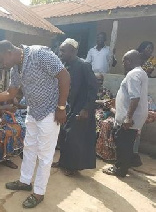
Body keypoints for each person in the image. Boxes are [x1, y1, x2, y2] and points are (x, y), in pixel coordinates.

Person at [0, 40, 70, 208]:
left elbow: (64, 76)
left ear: (9, 51)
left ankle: (39, 192)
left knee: (45, 155)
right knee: (29, 148)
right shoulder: (15, 69)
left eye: (1, 60)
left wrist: (61, 107)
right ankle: (25, 181)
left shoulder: (39, 54)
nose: (1, 64)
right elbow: (10, 92)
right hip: (33, 111)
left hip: (50, 112)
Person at [53, 38, 98, 176]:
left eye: (62, 50)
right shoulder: (65, 66)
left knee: (74, 138)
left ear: (72, 51)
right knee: (64, 135)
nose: (60, 53)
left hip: (81, 107)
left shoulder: (84, 65)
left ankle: (72, 167)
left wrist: (86, 109)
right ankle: (63, 162)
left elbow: (93, 88)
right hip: (68, 106)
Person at [103, 50, 148, 178]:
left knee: (122, 143)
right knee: (127, 142)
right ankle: (131, 162)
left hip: (130, 118)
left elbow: (135, 98)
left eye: (124, 61)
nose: (123, 64)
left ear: (129, 61)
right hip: (135, 116)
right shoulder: (141, 72)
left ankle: (120, 169)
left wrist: (128, 118)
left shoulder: (133, 74)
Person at [95, 73, 116, 161]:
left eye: (101, 80)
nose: (100, 82)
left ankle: (102, 149)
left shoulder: (105, 91)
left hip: (104, 111)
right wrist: (100, 101)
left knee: (104, 120)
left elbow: (108, 103)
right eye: (98, 80)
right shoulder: (89, 89)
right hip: (91, 110)